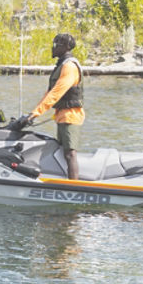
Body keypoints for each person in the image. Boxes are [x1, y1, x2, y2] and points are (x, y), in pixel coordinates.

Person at [22, 32, 85, 180]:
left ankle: (74, 187)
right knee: (61, 151)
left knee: (70, 154)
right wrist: (32, 114)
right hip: (62, 116)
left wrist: (36, 113)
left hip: (71, 116)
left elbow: (56, 93)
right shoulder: (62, 64)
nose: (53, 47)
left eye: (56, 44)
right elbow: (48, 93)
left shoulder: (69, 67)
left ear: (65, 47)